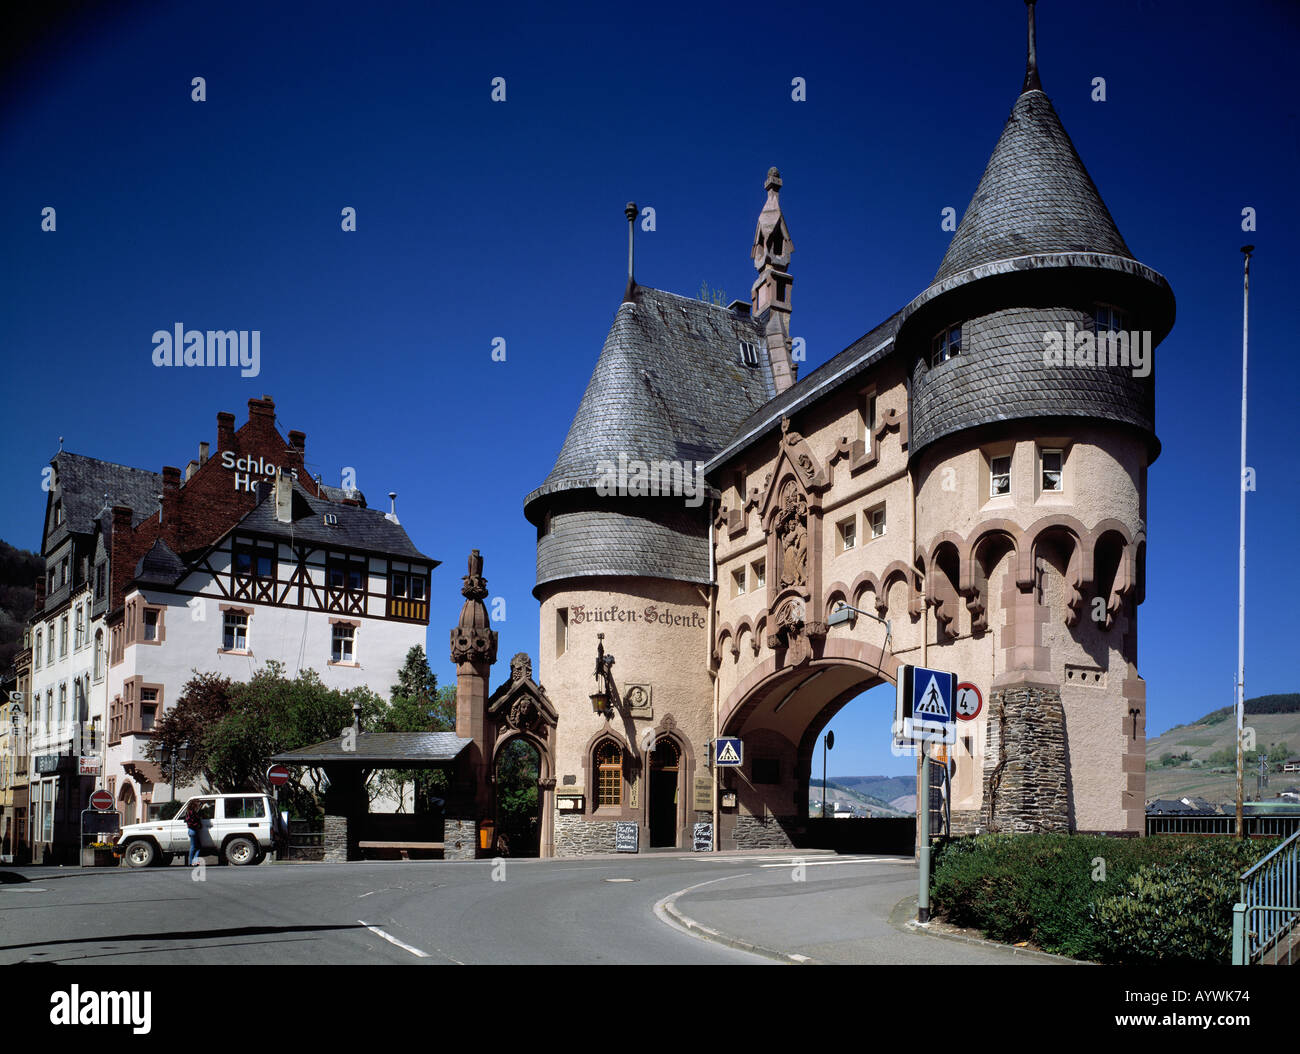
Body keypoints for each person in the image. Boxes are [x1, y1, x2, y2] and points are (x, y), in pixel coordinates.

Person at [184, 799, 203, 865]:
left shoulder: (189, 812)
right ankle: (192, 862)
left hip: (191, 830)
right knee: (195, 847)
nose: (197, 806)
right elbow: (191, 823)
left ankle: (192, 862)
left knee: (195, 847)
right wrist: (198, 825)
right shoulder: (192, 813)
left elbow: (187, 821)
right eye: (197, 805)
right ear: (194, 806)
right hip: (193, 830)